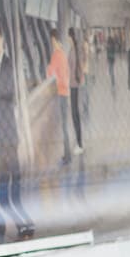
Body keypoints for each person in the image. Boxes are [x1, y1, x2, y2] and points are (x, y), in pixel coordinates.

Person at [0, 22, 34, 241]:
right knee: (6, 186)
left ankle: (25, 224)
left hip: (10, 136)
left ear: (3, 40)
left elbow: (8, 92)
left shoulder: (7, 64)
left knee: (13, 186)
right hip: (1, 135)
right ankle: (19, 225)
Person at [46, 29, 72, 164]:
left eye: (52, 41)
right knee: (65, 125)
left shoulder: (56, 54)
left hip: (61, 92)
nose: (52, 44)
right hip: (66, 91)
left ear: (55, 40)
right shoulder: (63, 53)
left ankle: (67, 156)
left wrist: (49, 68)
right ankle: (68, 154)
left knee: (64, 126)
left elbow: (49, 72)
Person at [67, 28, 84, 155]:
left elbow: (72, 69)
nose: (68, 40)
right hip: (75, 84)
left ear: (71, 38)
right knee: (75, 114)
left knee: (74, 114)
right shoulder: (75, 51)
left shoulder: (73, 52)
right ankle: (79, 142)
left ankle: (79, 144)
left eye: (68, 38)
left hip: (73, 85)